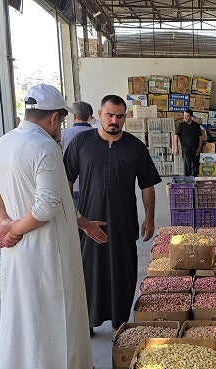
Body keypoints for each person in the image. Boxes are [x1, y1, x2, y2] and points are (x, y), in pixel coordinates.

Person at [0, 84, 103, 369]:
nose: (60, 128)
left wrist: (5, 224)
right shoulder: (45, 148)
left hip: (19, 254)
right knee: (50, 328)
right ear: (54, 118)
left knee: (28, 324)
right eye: (60, 122)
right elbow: (47, 206)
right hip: (45, 255)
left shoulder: (5, 143)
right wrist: (15, 229)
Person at [64, 94, 160, 332]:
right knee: (90, 275)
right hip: (88, 223)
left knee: (123, 275)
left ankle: (120, 322)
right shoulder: (81, 143)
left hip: (123, 224)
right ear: (99, 115)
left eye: (119, 116)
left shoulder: (135, 147)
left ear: (125, 117)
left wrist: (149, 218)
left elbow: (147, 185)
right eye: (109, 115)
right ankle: (88, 322)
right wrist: (76, 219)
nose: (114, 121)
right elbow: (64, 182)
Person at [61, 102, 97, 203]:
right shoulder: (97, 135)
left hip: (72, 187)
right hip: (92, 187)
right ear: (89, 116)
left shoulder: (63, 134)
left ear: (74, 116)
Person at [174, 109, 205, 177]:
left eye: (187, 116)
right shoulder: (181, 125)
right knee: (187, 166)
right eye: (184, 116)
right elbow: (176, 137)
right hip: (186, 149)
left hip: (195, 148)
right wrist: (176, 148)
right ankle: (187, 181)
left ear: (191, 117)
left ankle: (195, 179)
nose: (185, 117)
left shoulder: (196, 126)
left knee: (195, 167)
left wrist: (199, 149)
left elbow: (200, 138)